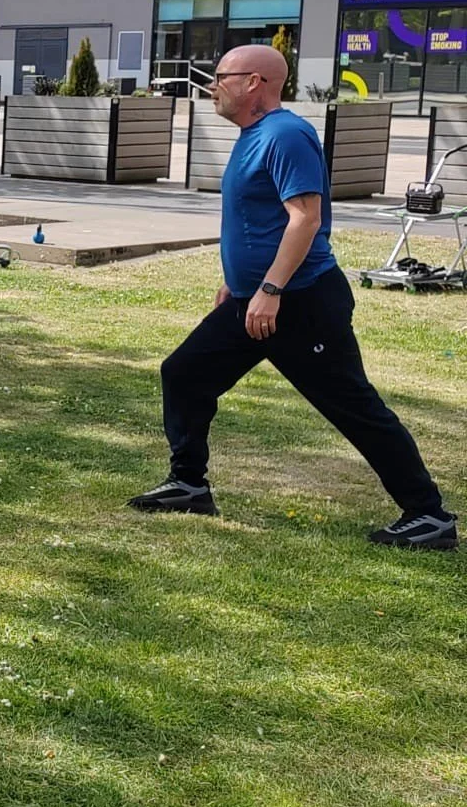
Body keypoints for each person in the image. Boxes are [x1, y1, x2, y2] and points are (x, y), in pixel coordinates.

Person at [130, 44, 455, 549]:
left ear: (256, 81)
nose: (213, 85)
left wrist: (271, 288)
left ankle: (428, 515)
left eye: (221, 76)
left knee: (352, 406)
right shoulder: (251, 136)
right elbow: (257, 221)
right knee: (185, 373)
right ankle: (189, 484)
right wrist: (238, 282)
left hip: (299, 301)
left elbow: (306, 218)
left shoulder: (286, 134)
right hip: (254, 298)